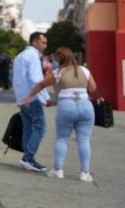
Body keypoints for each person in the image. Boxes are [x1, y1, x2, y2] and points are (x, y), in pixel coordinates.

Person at [19, 47, 97, 182]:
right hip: (86, 106)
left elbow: (41, 84)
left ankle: (58, 170)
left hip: (66, 106)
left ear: (59, 60)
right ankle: (85, 173)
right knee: (84, 140)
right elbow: (93, 88)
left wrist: (28, 97)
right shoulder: (85, 70)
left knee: (62, 139)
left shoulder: (58, 73)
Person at [13, 32, 50, 172]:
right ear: (35, 42)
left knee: (28, 127)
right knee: (40, 128)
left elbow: (16, 79)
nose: (45, 46)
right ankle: (29, 157)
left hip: (22, 98)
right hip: (32, 98)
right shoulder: (33, 56)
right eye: (43, 42)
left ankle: (27, 158)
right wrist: (46, 97)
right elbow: (36, 80)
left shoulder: (19, 56)